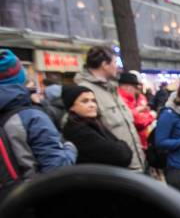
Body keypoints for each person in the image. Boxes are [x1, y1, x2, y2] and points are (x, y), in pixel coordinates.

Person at [0, 49, 77, 180]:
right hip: (31, 191)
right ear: (20, 77)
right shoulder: (31, 117)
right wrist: (70, 148)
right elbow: (57, 169)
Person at [74, 46, 145, 172]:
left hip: (136, 165)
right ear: (104, 65)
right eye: (115, 62)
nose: (117, 67)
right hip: (117, 170)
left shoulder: (112, 89)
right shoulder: (85, 91)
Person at [61, 85, 132, 167]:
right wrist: (122, 145)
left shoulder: (94, 123)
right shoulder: (77, 130)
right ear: (71, 107)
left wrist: (121, 146)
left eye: (93, 101)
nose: (92, 105)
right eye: (85, 101)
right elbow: (121, 156)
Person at [117, 72, 154, 151]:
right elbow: (138, 121)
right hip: (131, 141)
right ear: (127, 86)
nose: (137, 89)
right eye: (135, 87)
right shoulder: (122, 99)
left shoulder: (138, 98)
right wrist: (151, 116)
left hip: (139, 140)